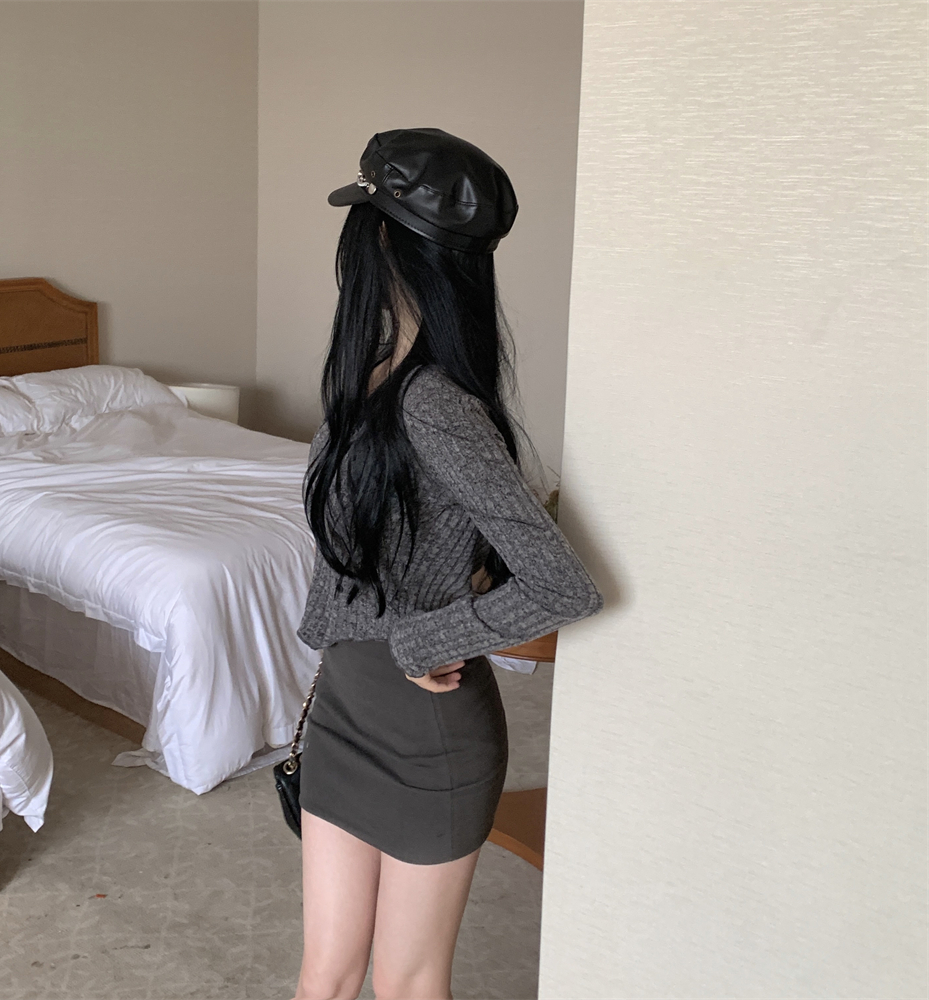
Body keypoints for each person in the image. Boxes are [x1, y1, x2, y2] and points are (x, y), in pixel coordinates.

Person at [293, 128, 603, 1000]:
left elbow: (564, 585)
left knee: (408, 982)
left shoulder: (435, 405)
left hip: (427, 734)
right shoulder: (368, 376)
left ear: (386, 243)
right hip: (345, 712)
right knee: (324, 975)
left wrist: (425, 637)